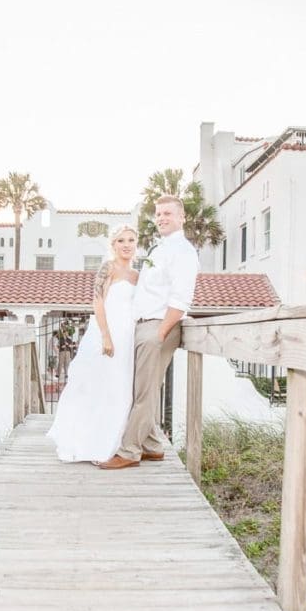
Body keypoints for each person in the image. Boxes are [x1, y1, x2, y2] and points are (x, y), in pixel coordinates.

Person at [98, 195, 199, 469]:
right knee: (143, 388)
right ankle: (152, 446)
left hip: (157, 327)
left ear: (182, 217)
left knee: (143, 392)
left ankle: (129, 451)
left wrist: (161, 332)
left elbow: (181, 298)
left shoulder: (184, 251)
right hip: (142, 325)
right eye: (159, 214)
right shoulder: (160, 248)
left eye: (168, 213)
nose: (162, 218)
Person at [47, 225, 140, 462]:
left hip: (128, 337)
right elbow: (98, 302)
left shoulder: (137, 276)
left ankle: (111, 443)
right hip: (106, 334)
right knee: (95, 385)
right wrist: (106, 336)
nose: (126, 245)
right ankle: (88, 442)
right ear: (113, 245)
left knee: (119, 388)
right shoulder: (107, 268)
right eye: (121, 241)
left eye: (131, 240)